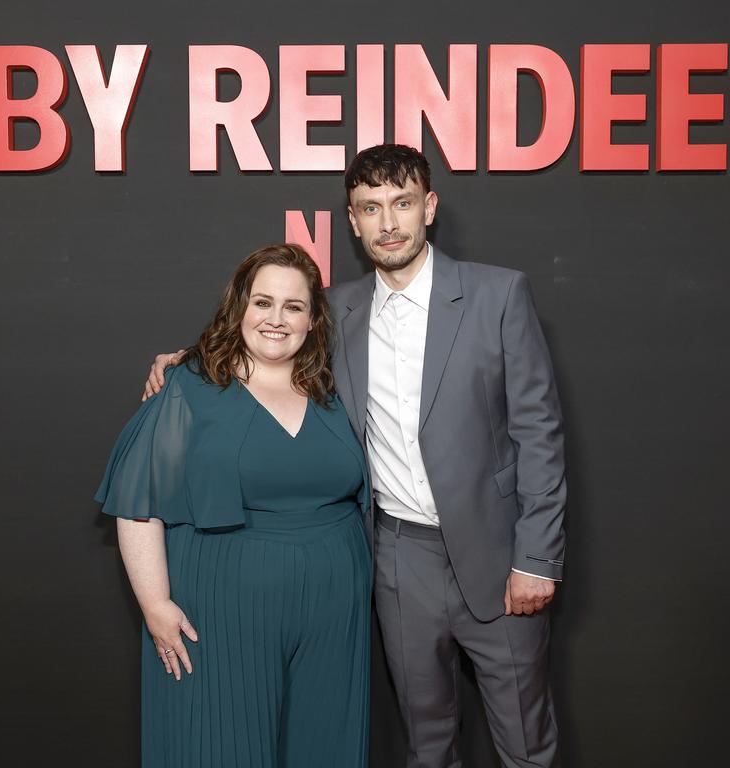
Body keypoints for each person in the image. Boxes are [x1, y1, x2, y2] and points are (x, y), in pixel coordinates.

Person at [145, 144, 567, 768]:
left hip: (498, 554)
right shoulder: (337, 310)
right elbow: (266, 335)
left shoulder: (497, 295)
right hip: (396, 558)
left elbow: (540, 430)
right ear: (352, 220)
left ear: (429, 208)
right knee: (427, 742)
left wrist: (538, 557)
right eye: (371, 208)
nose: (388, 223)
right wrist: (189, 359)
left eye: (401, 204)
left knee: (525, 742)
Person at [96, 244, 372, 768]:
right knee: (218, 743)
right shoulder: (189, 385)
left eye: (293, 306)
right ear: (238, 307)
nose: (276, 319)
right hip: (220, 604)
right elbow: (138, 503)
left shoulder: (334, 386)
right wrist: (155, 604)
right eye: (262, 302)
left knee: (323, 746)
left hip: (336, 605)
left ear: (312, 319)